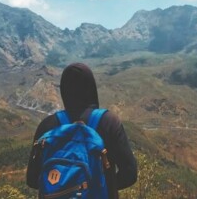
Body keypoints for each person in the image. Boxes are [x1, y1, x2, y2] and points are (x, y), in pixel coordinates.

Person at [27, 62, 137, 198]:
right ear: (91, 87)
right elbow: (130, 174)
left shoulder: (47, 126)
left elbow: (32, 179)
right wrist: (101, 186)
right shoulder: (108, 122)